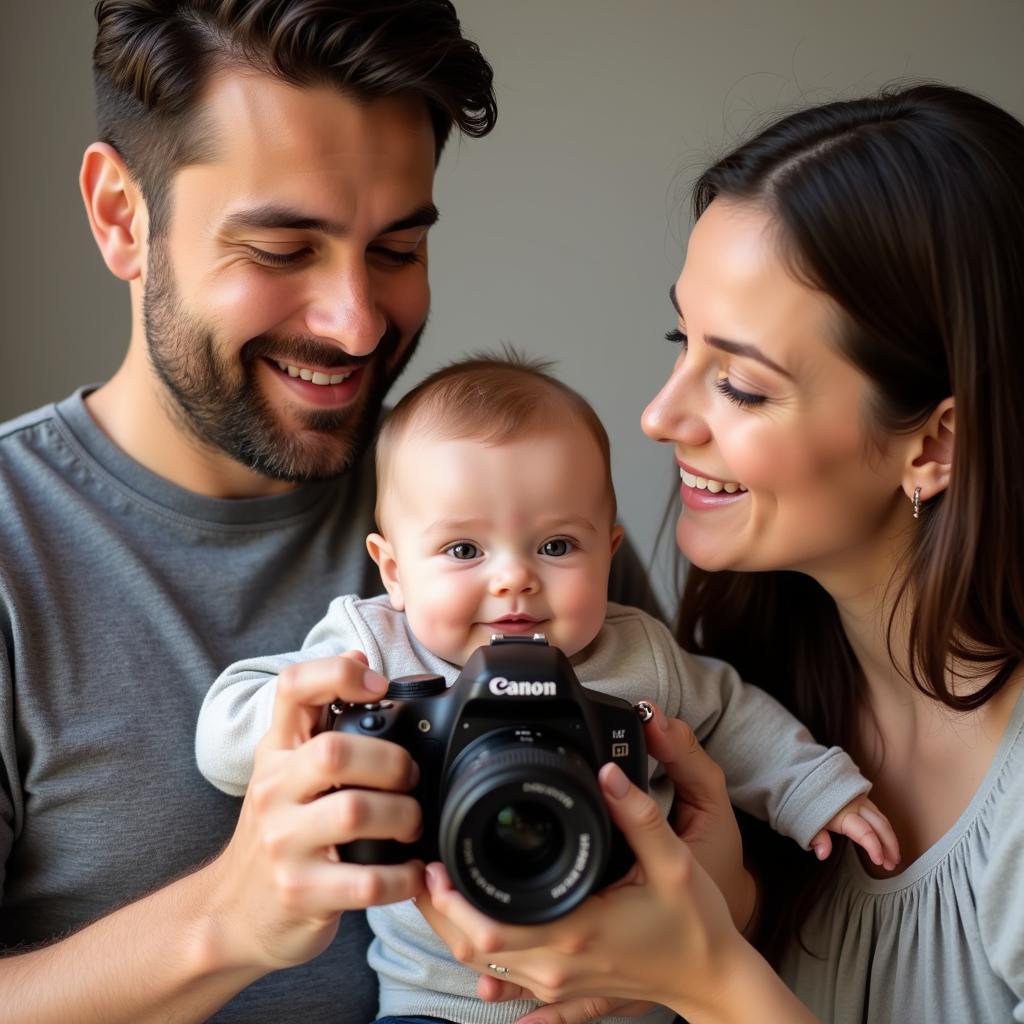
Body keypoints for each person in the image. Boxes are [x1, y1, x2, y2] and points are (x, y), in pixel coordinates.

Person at [411, 83, 1024, 1024]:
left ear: (934, 444)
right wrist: (723, 911)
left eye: (738, 384)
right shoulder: (731, 705)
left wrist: (704, 978)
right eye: (680, 341)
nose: (658, 416)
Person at [0, 3, 504, 1021]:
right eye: (281, 249)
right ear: (119, 216)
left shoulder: (510, 513)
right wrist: (225, 921)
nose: (356, 322)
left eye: (397, 248)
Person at [195, 353, 898, 1024]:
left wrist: (814, 790)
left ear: (609, 552)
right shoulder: (373, 648)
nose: (514, 579)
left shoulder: (638, 651)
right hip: (438, 1004)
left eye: (557, 546)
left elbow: (736, 720)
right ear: (394, 570)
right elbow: (227, 734)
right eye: (464, 550)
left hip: (639, 993)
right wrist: (328, 724)